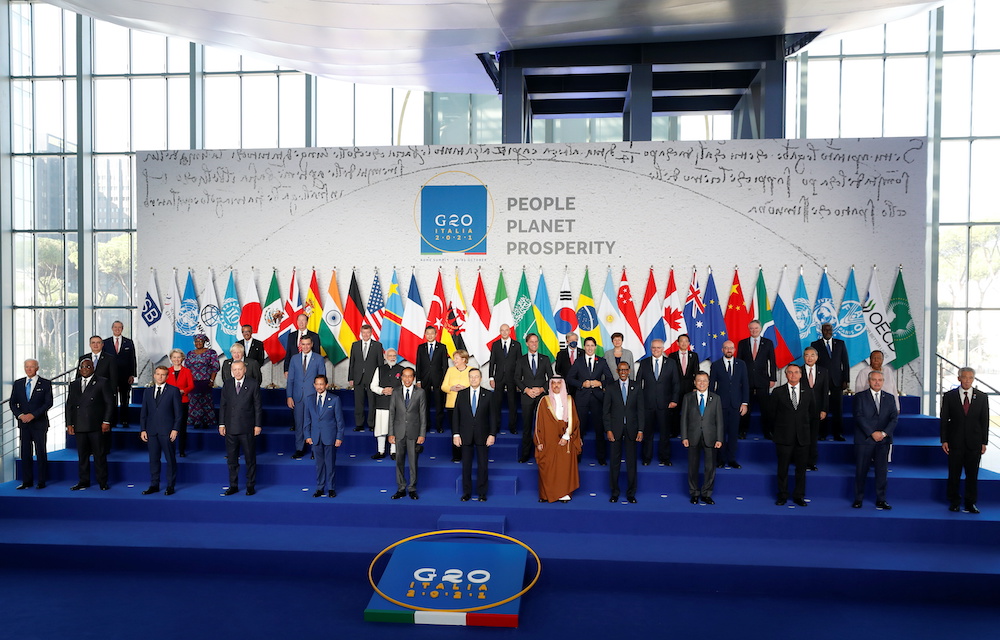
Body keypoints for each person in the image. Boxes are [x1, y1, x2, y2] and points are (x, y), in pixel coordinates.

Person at [940, 367, 989, 514]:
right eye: (964, 377)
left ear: (973, 379)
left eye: (970, 378)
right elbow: (944, 420)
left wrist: (984, 442)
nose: (967, 380)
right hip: (955, 442)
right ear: (958, 378)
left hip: (974, 443)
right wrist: (944, 440)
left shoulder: (981, 397)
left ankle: (970, 503)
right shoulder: (949, 396)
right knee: (954, 474)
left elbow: (984, 421)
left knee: (972, 474)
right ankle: (954, 502)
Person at [769, 364, 818, 507]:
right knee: (782, 469)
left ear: (801, 374)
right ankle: (782, 495)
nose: (793, 375)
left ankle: (798, 496)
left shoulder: (809, 392)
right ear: (786, 375)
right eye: (790, 372)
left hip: (802, 437)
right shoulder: (778, 392)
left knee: (801, 470)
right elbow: (771, 415)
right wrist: (776, 433)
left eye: (796, 372)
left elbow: (813, 415)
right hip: (783, 437)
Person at [66, 358, 114, 491]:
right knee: (82, 455)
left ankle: (102, 481)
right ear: (79, 369)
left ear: (93, 368)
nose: (85, 369)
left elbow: (109, 403)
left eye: (88, 366)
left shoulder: (102, 382)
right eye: (83, 367)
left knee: (99, 455)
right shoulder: (74, 384)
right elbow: (69, 405)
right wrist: (69, 423)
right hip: (79, 425)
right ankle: (83, 481)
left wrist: (106, 421)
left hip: (96, 425)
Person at [851, 371, 898, 510]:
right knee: (861, 470)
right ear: (869, 381)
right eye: (874, 380)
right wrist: (872, 433)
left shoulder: (889, 398)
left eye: (880, 380)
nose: (877, 382)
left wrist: (883, 433)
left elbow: (894, 418)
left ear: (883, 381)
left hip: (883, 441)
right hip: (865, 440)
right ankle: (858, 499)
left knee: (882, 472)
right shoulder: (860, 397)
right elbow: (858, 416)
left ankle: (881, 499)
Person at [452, 368, 498, 501]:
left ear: (481, 378)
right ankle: (467, 492)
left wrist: (492, 434)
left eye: (476, 377)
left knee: (483, 465)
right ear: (468, 378)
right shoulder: (461, 394)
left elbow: (493, 417)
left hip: (483, 435)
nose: (473, 379)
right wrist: (456, 434)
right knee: (466, 465)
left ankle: (482, 493)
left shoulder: (488, 395)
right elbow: (456, 415)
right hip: (465, 435)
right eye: (471, 377)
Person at [534, 377, 582, 503]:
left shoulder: (569, 400)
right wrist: (539, 442)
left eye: (558, 383)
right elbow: (538, 423)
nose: (556, 386)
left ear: (563, 385)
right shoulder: (544, 401)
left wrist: (566, 437)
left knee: (563, 467)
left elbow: (574, 421)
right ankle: (546, 494)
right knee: (547, 466)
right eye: (553, 383)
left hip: (565, 438)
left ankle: (563, 493)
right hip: (548, 439)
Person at [567, 336, 614, 465]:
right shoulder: (579, 361)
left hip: (598, 399)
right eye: (587, 345)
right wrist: (582, 384)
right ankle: (577, 456)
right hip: (582, 399)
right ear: (584, 347)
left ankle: (601, 457)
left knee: (599, 430)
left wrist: (600, 383)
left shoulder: (602, 361)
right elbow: (569, 378)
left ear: (595, 347)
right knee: (579, 429)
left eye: (592, 346)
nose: (589, 348)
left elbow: (610, 379)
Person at [218, 361, 262, 496]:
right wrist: (221, 424)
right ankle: (233, 485)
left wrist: (258, 425)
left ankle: (250, 485)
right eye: (234, 369)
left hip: (247, 427)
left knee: (250, 459)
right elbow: (223, 405)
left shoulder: (253, 384)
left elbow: (257, 407)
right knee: (232, 459)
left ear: (244, 370)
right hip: (230, 427)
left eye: (239, 369)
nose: (237, 372)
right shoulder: (228, 384)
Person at [603, 362, 644, 503]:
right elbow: (606, 411)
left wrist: (640, 430)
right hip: (615, 431)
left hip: (632, 430)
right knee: (614, 463)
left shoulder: (636, 386)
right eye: (620, 370)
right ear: (617, 371)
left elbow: (641, 410)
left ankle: (631, 493)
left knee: (631, 463)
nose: (623, 372)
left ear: (629, 371)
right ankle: (614, 492)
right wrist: (608, 429)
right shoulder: (610, 387)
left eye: (625, 370)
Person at [680, 372, 724, 504]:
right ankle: (694, 493)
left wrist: (719, 439)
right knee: (693, 467)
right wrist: (684, 436)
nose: (702, 383)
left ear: (709, 382)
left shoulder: (716, 398)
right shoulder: (688, 397)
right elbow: (684, 419)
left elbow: (719, 420)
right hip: (693, 436)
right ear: (694, 382)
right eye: (699, 380)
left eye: (704, 380)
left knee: (710, 468)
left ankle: (706, 493)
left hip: (710, 437)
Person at [139, 365, 182, 495]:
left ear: (167, 376)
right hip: (151, 431)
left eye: (163, 374)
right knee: (153, 459)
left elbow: (179, 413)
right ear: (154, 375)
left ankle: (170, 485)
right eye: (158, 374)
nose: (160, 377)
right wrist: (143, 429)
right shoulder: (147, 392)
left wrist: (175, 429)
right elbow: (143, 412)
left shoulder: (173, 391)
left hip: (167, 431)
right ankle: (154, 484)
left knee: (170, 459)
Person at [10, 359, 53, 490]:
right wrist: (20, 415)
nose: (28, 369)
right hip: (24, 424)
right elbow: (12, 403)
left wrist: (33, 415)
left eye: (31, 367)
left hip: (39, 423)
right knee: (25, 453)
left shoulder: (45, 383)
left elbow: (48, 403)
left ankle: (41, 481)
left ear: (37, 368)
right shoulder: (18, 384)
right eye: (26, 367)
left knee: (40, 452)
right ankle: (27, 481)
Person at [635, 338, 680, 466]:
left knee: (665, 433)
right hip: (647, 404)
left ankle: (664, 458)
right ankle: (646, 458)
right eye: (653, 348)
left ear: (663, 349)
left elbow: (676, 383)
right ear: (650, 349)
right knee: (647, 433)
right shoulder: (644, 363)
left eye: (658, 348)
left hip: (665, 404)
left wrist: (674, 400)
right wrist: (639, 401)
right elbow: (638, 384)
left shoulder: (671, 363)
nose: (656, 350)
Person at [708, 340, 749, 469]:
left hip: (736, 405)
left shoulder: (741, 364)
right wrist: (712, 403)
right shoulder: (715, 365)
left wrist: (745, 403)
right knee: (719, 433)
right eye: (726, 348)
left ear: (735, 349)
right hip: (720, 405)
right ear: (722, 350)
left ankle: (731, 459)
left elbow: (745, 385)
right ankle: (720, 459)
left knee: (733, 433)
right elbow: (711, 386)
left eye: (731, 348)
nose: (729, 350)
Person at [303, 374, 345, 498]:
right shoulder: (309, 399)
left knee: (330, 464)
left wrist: (339, 437)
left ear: (326, 385)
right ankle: (320, 488)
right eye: (317, 384)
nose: (319, 386)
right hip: (315, 437)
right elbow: (307, 419)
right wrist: (307, 435)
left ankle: (331, 488)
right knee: (319, 464)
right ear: (314, 385)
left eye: (322, 384)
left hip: (330, 437)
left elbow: (340, 421)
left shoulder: (335, 399)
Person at [286, 335, 328, 459]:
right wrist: (289, 396)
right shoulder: (294, 359)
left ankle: (315, 449)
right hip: (297, 397)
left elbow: (322, 379)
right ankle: (299, 449)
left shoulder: (319, 359)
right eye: (303, 344)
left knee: (314, 424)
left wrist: (320, 396)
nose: (305, 347)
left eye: (307, 344)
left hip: (314, 397)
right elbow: (291, 380)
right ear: (300, 345)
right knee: (299, 424)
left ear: (312, 344)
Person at [388, 367, 426, 500]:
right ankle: (401, 488)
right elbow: (392, 413)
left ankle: (412, 488)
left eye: (410, 376)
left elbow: (423, 414)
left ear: (413, 378)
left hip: (413, 433)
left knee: (413, 462)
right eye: (405, 376)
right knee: (399, 461)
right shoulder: (396, 392)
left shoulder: (420, 392)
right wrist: (391, 433)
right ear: (401, 377)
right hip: (398, 432)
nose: (407, 379)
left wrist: (422, 434)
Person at [736, 320, 776, 439]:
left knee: (766, 409)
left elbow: (772, 362)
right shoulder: (742, 343)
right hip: (746, 380)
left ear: (760, 329)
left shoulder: (768, 343)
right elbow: (739, 362)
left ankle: (768, 432)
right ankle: (742, 431)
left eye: (756, 328)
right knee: (745, 408)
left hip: (763, 380)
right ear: (749, 329)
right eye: (752, 328)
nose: (754, 330)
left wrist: (772, 378)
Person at [515, 333, 551, 463]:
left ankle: (544, 452)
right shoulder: (521, 360)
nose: (534, 344)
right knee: (527, 427)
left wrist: (541, 389)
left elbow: (551, 379)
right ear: (527, 343)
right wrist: (526, 390)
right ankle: (525, 454)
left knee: (543, 426)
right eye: (531, 342)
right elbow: (517, 378)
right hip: (527, 397)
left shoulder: (545, 359)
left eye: (536, 341)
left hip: (542, 397)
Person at [79, 334, 118, 454]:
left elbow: (113, 379)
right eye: (93, 343)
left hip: (102, 397)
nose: (96, 345)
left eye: (98, 342)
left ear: (102, 344)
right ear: (90, 345)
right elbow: (78, 377)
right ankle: (89, 449)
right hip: (87, 398)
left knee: (104, 423)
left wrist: (111, 396)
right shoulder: (83, 358)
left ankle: (104, 449)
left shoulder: (110, 358)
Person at [811, 323, 849, 441]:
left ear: (832, 330)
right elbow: (814, 363)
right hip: (821, 381)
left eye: (829, 329)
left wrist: (846, 379)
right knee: (822, 408)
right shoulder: (815, 344)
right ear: (821, 331)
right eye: (825, 329)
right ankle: (822, 434)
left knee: (838, 409)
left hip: (837, 381)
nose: (827, 331)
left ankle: (838, 434)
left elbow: (845, 363)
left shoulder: (840, 344)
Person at [369, 348, 405, 459]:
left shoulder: (402, 369)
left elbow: (406, 386)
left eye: (394, 355)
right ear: (385, 357)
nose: (392, 358)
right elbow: (373, 386)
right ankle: (381, 451)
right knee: (381, 428)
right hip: (382, 403)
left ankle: (393, 452)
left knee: (394, 428)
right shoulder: (379, 369)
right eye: (390, 355)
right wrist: (383, 390)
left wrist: (394, 391)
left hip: (397, 404)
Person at [348, 324, 383, 432]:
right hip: (358, 378)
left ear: (371, 333)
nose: (366, 335)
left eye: (368, 333)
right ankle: (359, 424)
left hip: (372, 379)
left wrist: (380, 379)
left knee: (372, 403)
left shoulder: (377, 345)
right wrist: (351, 377)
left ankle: (372, 424)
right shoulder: (355, 345)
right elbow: (352, 362)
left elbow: (380, 363)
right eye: (364, 332)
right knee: (359, 403)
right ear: (361, 333)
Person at [800, 347, 829, 472]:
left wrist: (824, 409)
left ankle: (811, 462)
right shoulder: (798, 371)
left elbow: (825, 392)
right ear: (803, 357)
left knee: (813, 437)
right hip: (801, 410)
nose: (809, 358)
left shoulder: (823, 372)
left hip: (817, 410)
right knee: (800, 437)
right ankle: (800, 461)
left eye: (812, 355)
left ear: (817, 357)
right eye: (807, 355)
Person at [415, 325, 449, 433]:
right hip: (424, 380)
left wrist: (445, 380)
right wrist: (418, 380)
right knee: (425, 404)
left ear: (436, 334)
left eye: (432, 333)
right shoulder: (421, 347)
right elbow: (418, 365)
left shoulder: (442, 347)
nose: (430, 335)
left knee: (439, 404)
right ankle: (426, 426)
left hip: (438, 380)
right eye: (427, 333)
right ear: (425, 335)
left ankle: (439, 426)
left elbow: (445, 365)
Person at [488, 323, 521, 433]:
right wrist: (491, 378)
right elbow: (492, 362)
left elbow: (519, 363)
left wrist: (519, 380)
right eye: (502, 330)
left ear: (510, 331)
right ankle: (495, 427)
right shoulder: (495, 344)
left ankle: (513, 427)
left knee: (512, 404)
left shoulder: (516, 345)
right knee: (497, 404)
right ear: (500, 332)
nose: (505, 332)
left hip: (512, 378)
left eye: (506, 330)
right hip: (499, 378)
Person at [104, 320, 137, 429]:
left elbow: (132, 359)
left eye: (119, 327)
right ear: (112, 328)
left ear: (122, 329)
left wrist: (132, 375)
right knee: (111, 400)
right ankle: (112, 421)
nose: (117, 329)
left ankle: (124, 421)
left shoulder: (129, 342)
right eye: (115, 327)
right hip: (110, 377)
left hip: (125, 376)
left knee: (124, 399)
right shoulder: (106, 343)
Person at [441, 349, 472, 461]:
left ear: (464, 359)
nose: (454, 361)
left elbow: (474, 385)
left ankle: (467, 454)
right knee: (455, 431)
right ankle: (456, 455)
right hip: (452, 405)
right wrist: (451, 388)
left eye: (457, 358)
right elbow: (443, 386)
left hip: (466, 405)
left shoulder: (471, 370)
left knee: (466, 430)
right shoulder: (450, 370)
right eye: (454, 358)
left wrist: (464, 389)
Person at [668, 333, 700, 438]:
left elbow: (696, 372)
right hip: (676, 388)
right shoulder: (672, 356)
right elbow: (670, 374)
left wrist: (696, 387)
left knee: (691, 411)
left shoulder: (694, 356)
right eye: (681, 341)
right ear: (677, 343)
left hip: (690, 388)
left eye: (686, 341)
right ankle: (675, 432)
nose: (684, 343)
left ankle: (689, 432)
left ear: (689, 343)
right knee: (675, 412)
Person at [185, 334, 219, 430]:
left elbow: (215, 367)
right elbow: (187, 368)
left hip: (205, 381)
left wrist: (212, 380)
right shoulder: (190, 353)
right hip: (193, 382)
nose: (198, 343)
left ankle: (206, 421)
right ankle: (196, 421)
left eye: (200, 341)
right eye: (196, 341)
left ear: (204, 342)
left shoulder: (211, 352)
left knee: (206, 402)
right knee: (194, 402)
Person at [165, 348, 195, 457]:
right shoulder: (167, 371)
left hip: (183, 401)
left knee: (182, 427)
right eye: (174, 357)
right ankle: (170, 449)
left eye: (178, 357)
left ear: (182, 358)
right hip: (169, 403)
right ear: (171, 359)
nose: (176, 359)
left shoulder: (187, 371)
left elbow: (191, 385)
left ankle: (182, 450)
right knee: (169, 426)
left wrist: (184, 391)